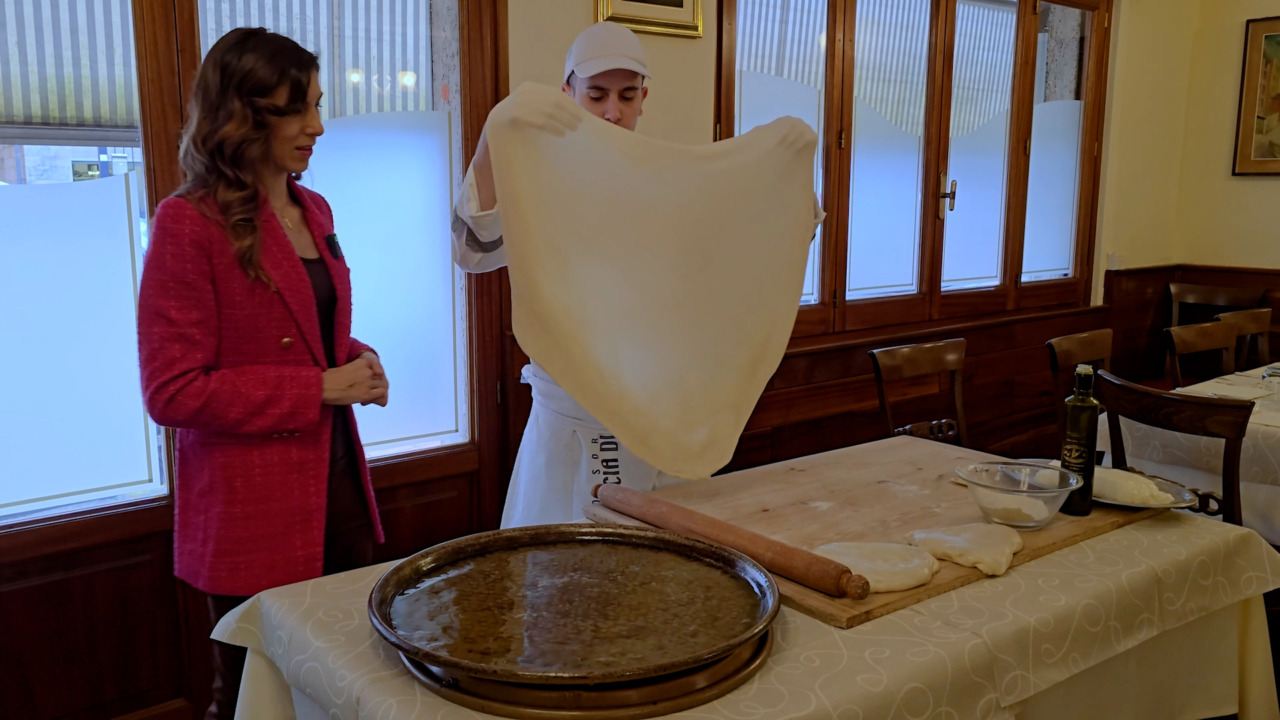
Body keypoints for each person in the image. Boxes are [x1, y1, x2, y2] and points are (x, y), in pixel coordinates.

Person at [136, 28, 388, 720]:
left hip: (338, 485)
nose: (317, 126)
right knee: (252, 695)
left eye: (317, 105)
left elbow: (305, 328)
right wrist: (319, 388)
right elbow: (171, 389)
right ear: (243, 116)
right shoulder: (188, 223)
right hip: (251, 509)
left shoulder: (315, 208)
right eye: (295, 109)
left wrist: (355, 357)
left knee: (343, 678)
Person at [453, 22, 680, 527]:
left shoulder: (665, 181)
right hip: (564, 422)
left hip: (647, 419)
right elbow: (472, 251)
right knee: (551, 565)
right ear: (567, 92)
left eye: (626, 96)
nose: (612, 112)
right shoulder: (537, 176)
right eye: (596, 95)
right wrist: (494, 132)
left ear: (644, 99)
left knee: (642, 568)